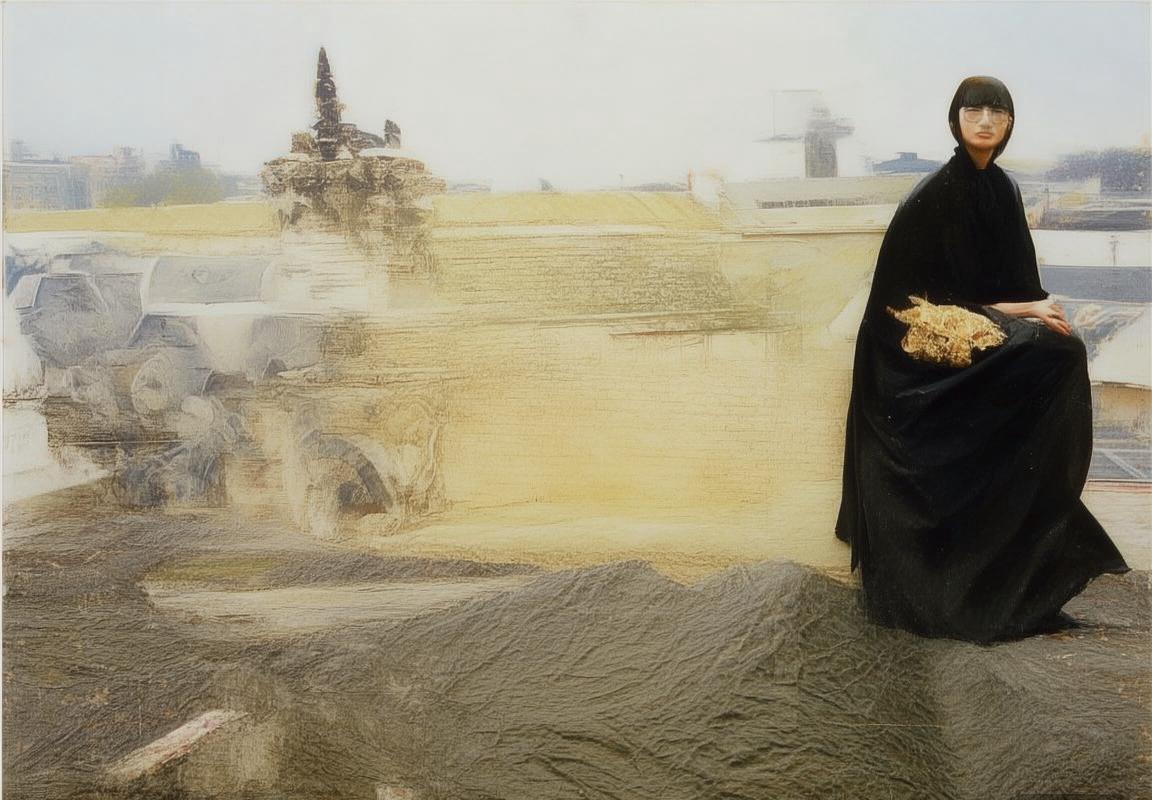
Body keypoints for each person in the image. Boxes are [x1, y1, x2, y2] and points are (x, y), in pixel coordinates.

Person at [835, 76, 1129, 642]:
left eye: (999, 112)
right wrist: (1025, 309)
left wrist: (1034, 309)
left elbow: (1015, 281)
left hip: (977, 322)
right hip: (910, 348)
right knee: (1046, 352)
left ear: (1010, 124)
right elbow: (913, 301)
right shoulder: (934, 194)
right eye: (974, 111)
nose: (987, 121)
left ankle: (1021, 566)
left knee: (1061, 353)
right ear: (956, 120)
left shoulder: (1002, 190)